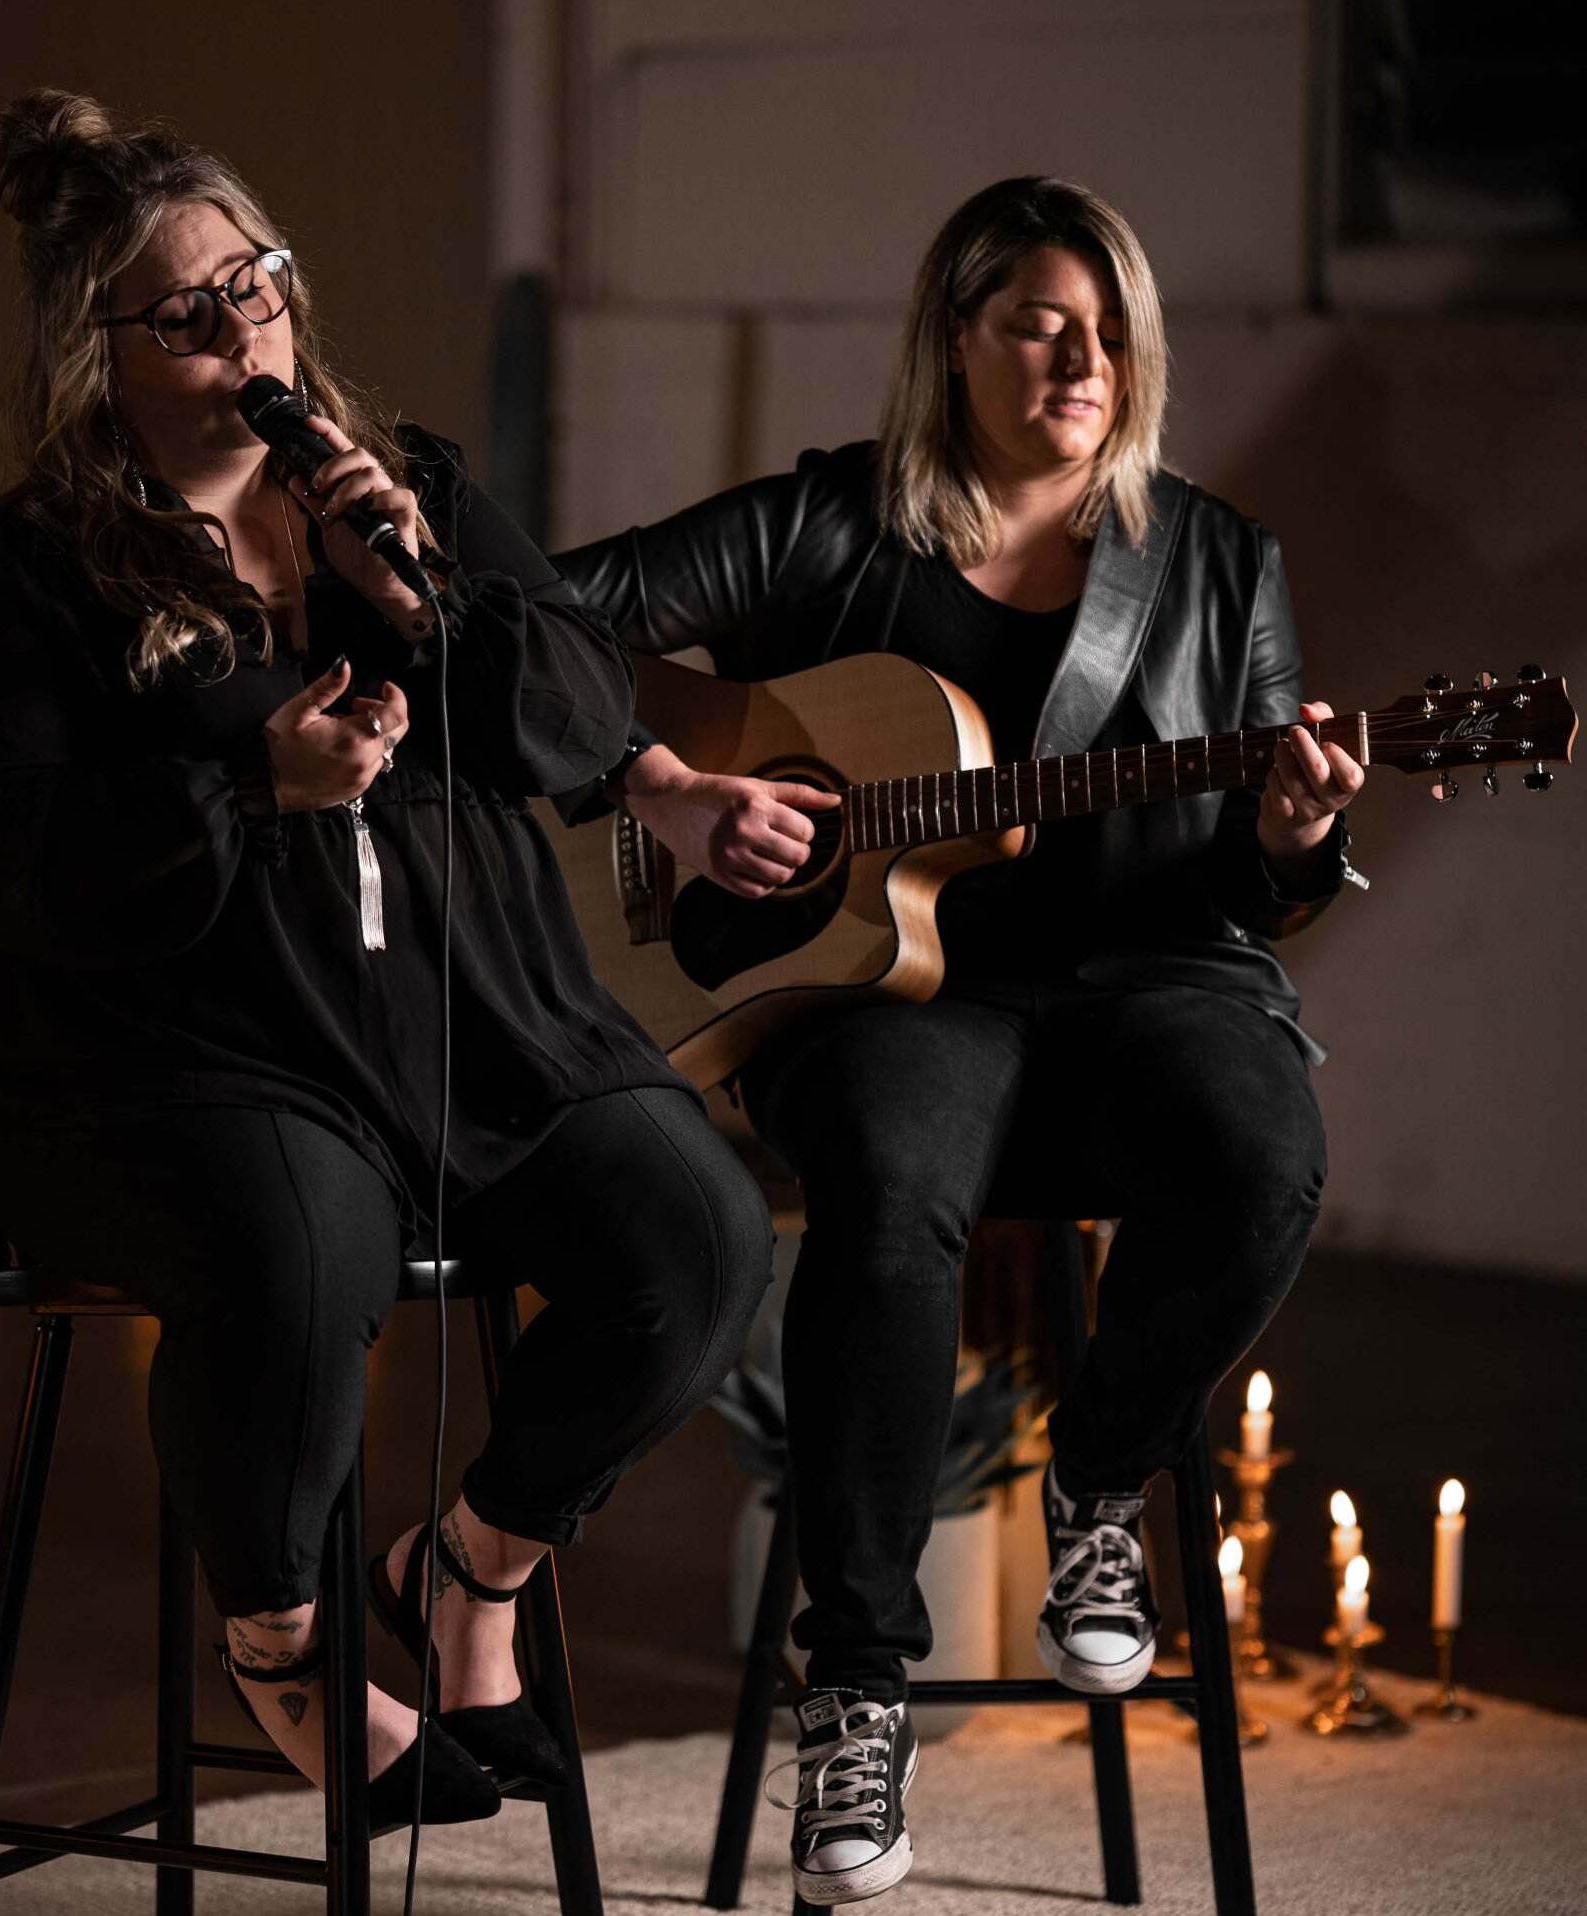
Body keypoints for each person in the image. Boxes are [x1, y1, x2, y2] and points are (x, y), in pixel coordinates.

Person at [0, 90, 773, 1826]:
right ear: (106, 355)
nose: (245, 331)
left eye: (259, 283)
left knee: (698, 1234)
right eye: (189, 313)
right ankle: (286, 1646)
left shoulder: (411, 482)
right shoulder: (17, 574)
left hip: (478, 1028)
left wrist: (428, 578)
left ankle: (470, 1574)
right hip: (204, 1059)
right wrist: (249, 779)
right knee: (304, 1264)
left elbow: (576, 716)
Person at [556, 175, 1362, 1903]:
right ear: (956, 341)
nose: (1085, 357)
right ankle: (853, 1688)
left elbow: (1255, 886)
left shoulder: (1220, 562)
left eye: (1109, 328)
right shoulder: (826, 529)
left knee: (1265, 1157)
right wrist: (682, 792)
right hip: (883, 993)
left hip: (1150, 987)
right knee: (890, 1184)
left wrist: (1291, 839)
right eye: (1040, 323)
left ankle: (1099, 1486)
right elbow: (546, 625)